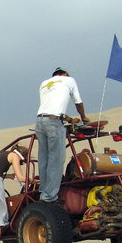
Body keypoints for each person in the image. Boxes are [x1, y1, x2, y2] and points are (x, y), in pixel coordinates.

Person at [36, 67, 90, 203]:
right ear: (65, 74)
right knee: (56, 159)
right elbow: (78, 102)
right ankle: (50, 197)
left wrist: (70, 119)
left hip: (40, 121)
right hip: (54, 123)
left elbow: (51, 107)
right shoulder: (69, 80)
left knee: (44, 159)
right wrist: (83, 116)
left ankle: (43, 191)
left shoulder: (44, 83)